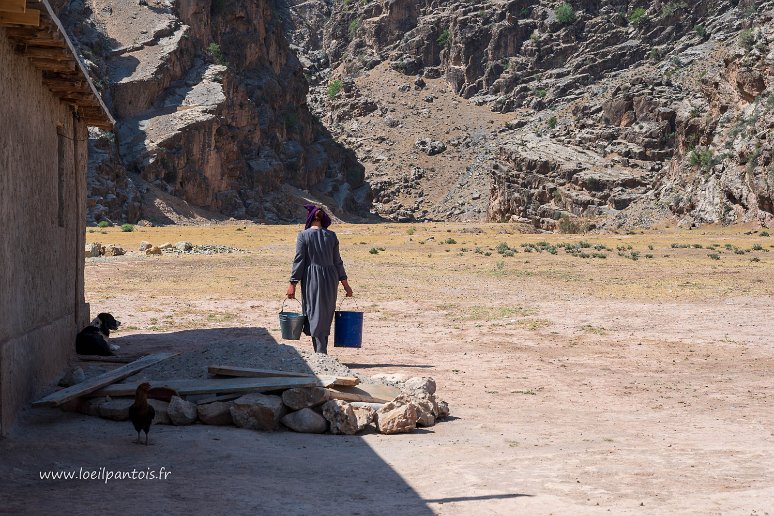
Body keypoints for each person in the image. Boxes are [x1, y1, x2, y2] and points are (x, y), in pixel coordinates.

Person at [287, 204, 353, 354]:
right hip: (331, 278)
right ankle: (321, 351)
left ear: (309, 219)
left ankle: (320, 352)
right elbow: (338, 262)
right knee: (325, 314)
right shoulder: (332, 236)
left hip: (312, 277)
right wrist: (346, 285)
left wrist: (293, 283)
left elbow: (299, 261)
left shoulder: (303, 236)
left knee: (313, 312)